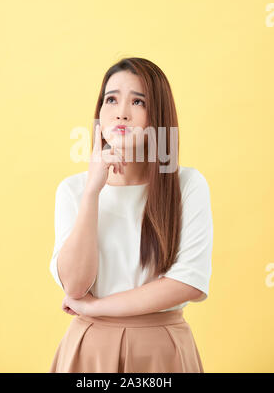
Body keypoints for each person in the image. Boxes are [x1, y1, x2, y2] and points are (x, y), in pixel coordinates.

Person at [48, 57, 213, 373]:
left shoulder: (187, 185)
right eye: (111, 99)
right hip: (89, 351)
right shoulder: (73, 190)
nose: (121, 111)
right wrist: (93, 191)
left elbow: (187, 282)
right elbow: (75, 285)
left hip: (163, 351)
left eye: (138, 101)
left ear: (158, 118)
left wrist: (98, 307)